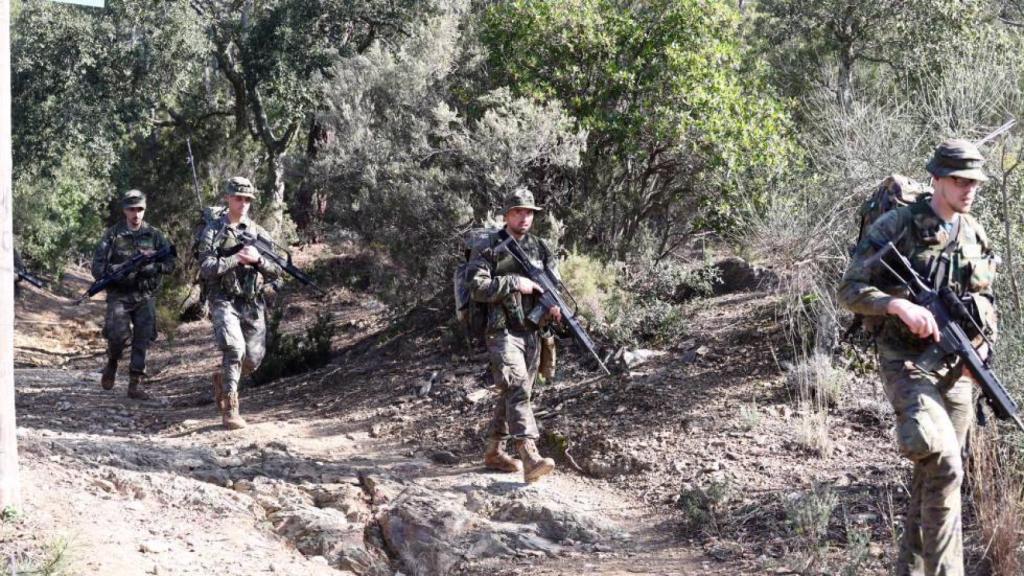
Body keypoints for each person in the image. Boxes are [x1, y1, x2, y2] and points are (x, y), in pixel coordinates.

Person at [839, 139, 999, 576]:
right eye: (960, 180)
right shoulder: (897, 225)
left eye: (975, 182)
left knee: (936, 476)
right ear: (937, 179)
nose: (969, 189)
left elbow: (986, 300)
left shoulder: (974, 233)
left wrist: (982, 347)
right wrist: (897, 306)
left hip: (957, 369)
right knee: (945, 464)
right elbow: (849, 289)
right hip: (907, 362)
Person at [467, 187, 561, 483]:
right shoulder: (488, 246)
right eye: (518, 211)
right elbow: (477, 287)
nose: (524, 217)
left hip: (532, 332)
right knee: (518, 386)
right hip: (502, 331)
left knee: (515, 392)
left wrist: (554, 305)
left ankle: (494, 451)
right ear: (506, 215)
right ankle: (529, 456)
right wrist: (513, 282)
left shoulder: (540, 247)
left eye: (529, 212)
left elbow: (552, 283)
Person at [197, 177, 281, 430]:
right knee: (234, 348)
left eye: (247, 199)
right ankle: (230, 409)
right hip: (223, 298)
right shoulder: (213, 231)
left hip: (251, 302)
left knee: (253, 359)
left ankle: (223, 379)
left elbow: (276, 271)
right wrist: (237, 259)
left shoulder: (259, 233)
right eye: (238, 198)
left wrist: (258, 261)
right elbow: (206, 267)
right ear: (228, 198)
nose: (243, 203)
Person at [91, 189, 176, 399]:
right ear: (124, 210)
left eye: (140, 209)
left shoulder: (155, 235)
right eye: (132, 209)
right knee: (116, 336)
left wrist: (154, 267)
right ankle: (112, 361)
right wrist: (115, 271)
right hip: (119, 295)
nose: (136, 214)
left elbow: (170, 263)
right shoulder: (113, 234)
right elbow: (97, 267)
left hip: (145, 295)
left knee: (143, 339)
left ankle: (135, 383)